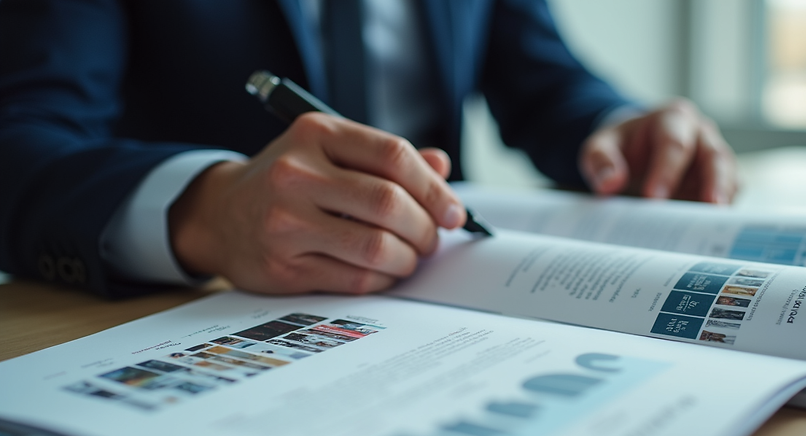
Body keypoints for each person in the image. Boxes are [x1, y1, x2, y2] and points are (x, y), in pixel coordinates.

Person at [0, 0, 737, 298]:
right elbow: (22, 134)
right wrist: (204, 206)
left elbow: (541, 80)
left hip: (447, 286)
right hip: (216, 310)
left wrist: (618, 123)